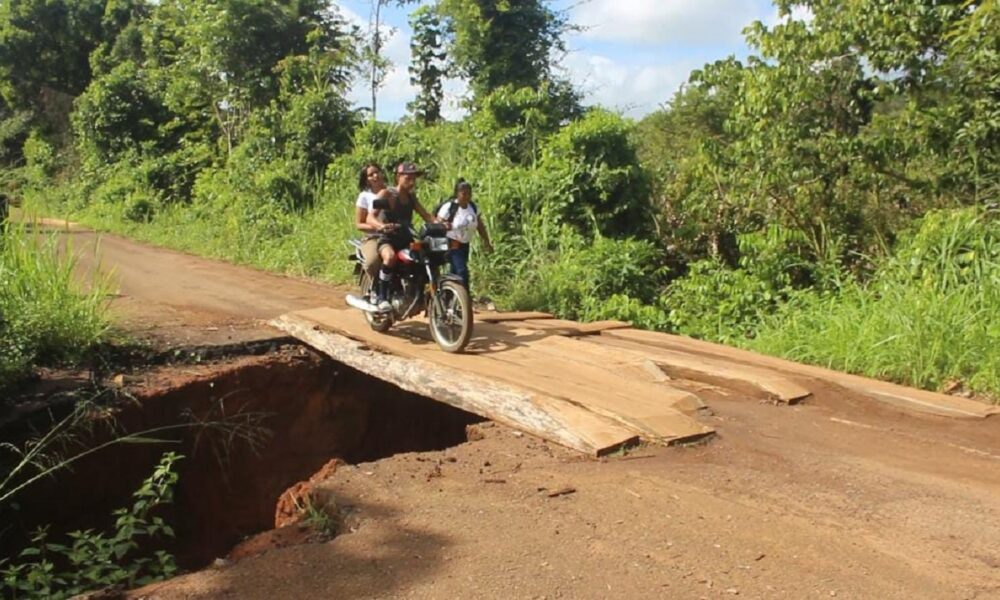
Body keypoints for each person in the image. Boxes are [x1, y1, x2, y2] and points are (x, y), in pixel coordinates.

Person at [367, 162, 440, 311]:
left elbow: (426, 215)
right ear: (398, 177)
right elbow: (370, 218)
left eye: (414, 177)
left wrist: (442, 223)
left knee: (425, 258)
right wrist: (381, 226)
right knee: (390, 257)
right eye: (408, 177)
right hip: (388, 239)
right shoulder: (386, 194)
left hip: (406, 239)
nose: (412, 181)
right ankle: (382, 297)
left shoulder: (411, 197)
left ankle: (420, 294)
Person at [436, 179, 492, 295]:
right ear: (457, 194)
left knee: (455, 272)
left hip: (465, 244)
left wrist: (486, 241)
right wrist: (443, 225)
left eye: (469, 194)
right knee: (462, 271)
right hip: (451, 244)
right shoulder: (450, 207)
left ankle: (448, 298)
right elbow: (438, 222)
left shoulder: (473, 207)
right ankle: (466, 299)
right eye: (464, 193)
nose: (467, 196)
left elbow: (480, 225)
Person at [354, 163, 387, 284]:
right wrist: (378, 228)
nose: (375, 176)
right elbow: (359, 224)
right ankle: (376, 287)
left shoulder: (392, 192)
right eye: (370, 175)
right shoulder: (365, 196)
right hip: (373, 238)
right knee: (372, 262)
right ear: (366, 180)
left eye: (377, 172)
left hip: (394, 236)